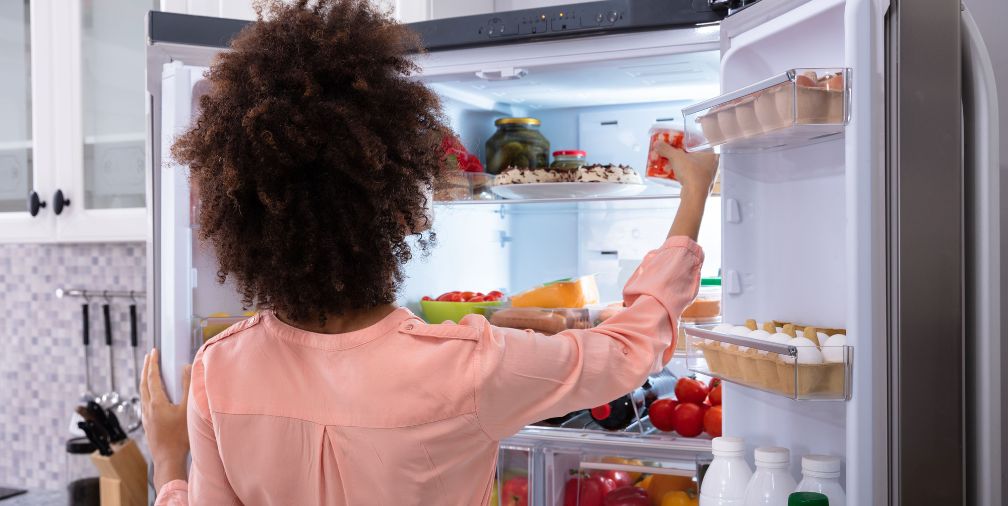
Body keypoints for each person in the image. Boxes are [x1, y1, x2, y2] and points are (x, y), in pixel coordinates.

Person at [140, 0, 720, 504]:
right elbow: (626, 352)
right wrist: (692, 194)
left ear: (240, 214)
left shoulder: (219, 369)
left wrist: (168, 461)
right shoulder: (466, 365)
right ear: (400, 208)